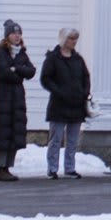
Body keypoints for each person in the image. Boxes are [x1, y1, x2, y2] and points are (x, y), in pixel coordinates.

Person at [39, 28, 91, 179]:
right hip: (59, 104)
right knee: (56, 139)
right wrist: (59, 92)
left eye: (75, 39)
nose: (74, 42)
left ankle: (69, 167)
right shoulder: (53, 58)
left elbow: (85, 77)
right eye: (71, 39)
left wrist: (84, 92)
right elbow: (46, 79)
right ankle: (52, 168)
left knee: (73, 139)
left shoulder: (78, 59)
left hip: (76, 104)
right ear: (63, 39)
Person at [0, 20, 36, 181]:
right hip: (3, 96)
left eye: (19, 33)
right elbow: (2, 72)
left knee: (14, 131)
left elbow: (31, 71)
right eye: (14, 33)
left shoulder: (22, 53)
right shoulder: (0, 52)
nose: (17, 36)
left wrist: (16, 68)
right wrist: (18, 72)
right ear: (7, 35)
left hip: (17, 97)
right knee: (2, 131)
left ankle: (8, 166)